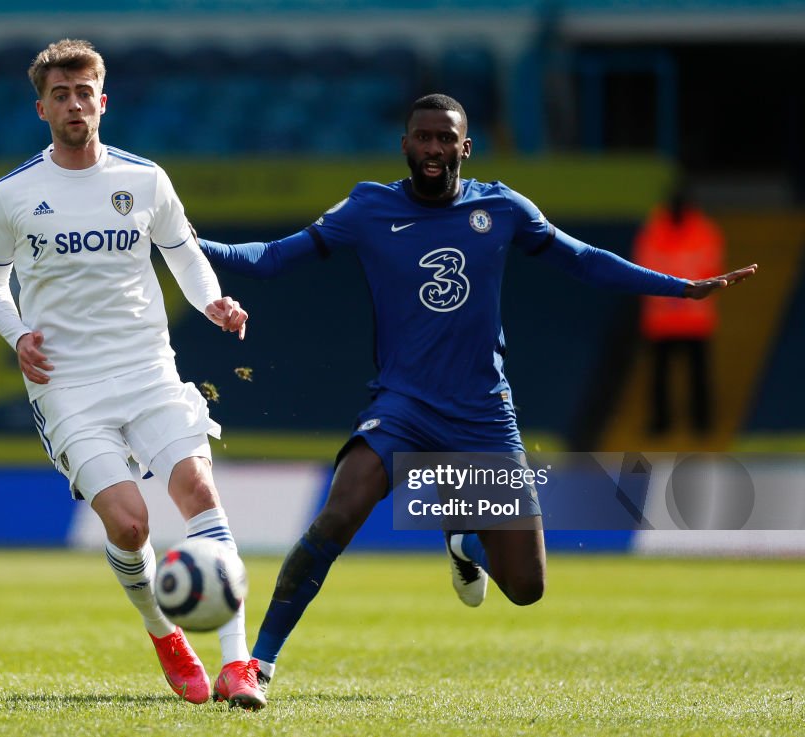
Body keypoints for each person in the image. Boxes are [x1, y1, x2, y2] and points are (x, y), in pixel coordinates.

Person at [198, 93, 757, 693]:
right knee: (337, 515)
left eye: (446, 138)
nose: (434, 148)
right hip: (402, 406)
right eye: (423, 137)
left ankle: (463, 539)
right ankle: (256, 663)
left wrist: (680, 288)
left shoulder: (502, 207)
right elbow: (267, 260)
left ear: (465, 146)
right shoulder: (368, 207)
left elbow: (586, 260)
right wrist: (181, 242)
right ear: (406, 145)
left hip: (483, 417)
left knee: (526, 588)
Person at [0, 39, 266, 710]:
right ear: (42, 108)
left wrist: (213, 300)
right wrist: (17, 334)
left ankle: (238, 664)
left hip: (147, 366)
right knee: (131, 526)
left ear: (102, 102)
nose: (74, 104)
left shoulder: (144, 180)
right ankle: (164, 633)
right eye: (60, 95)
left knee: (198, 491)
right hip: (68, 382)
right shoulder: (13, 195)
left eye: (85, 93)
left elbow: (185, 256)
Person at [633, 182, 725, 435]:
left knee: (698, 375)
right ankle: (660, 423)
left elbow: (711, 267)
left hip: (693, 321)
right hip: (664, 321)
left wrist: (673, 290)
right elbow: (644, 267)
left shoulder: (704, 231)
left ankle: (702, 422)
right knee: (659, 377)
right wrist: (679, 291)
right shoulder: (654, 230)